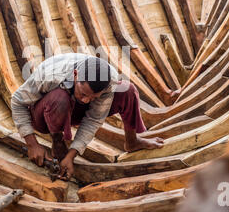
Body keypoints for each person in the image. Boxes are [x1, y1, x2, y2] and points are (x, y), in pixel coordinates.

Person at [11, 53, 164, 180]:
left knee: (128, 90)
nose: (85, 100)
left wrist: (72, 155)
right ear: (76, 75)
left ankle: (132, 141)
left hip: (73, 112)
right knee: (60, 98)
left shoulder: (109, 82)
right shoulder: (50, 75)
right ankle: (58, 142)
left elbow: (93, 120)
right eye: (83, 94)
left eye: (93, 97)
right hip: (44, 115)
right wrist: (32, 144)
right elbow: (17, 102)